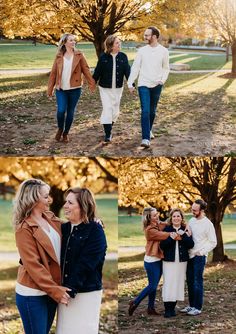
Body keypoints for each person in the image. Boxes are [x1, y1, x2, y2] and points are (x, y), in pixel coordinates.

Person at [13, 179, 70, 334]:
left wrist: (92, 223)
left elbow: (72, 228)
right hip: (32, 295)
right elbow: (33, 266)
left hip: (51, 291)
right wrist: (55, 291)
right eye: (45, 196)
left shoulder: (50, 218)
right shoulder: (23, 229)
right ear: (33, 199)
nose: (50, 199)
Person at [56, 187, 107, 334]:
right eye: (66, 202)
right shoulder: (63, 228)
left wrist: (69, 291)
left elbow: (87, 264)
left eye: (70, 203)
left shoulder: (95, 230)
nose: (65, 206)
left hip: (86, 293)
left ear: (84, 206)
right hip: (64, 293)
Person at [47, 33, 95, 143]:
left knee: (70, 112)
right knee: (61, 111)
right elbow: (54, 73)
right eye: (71, 40)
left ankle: (66, 133)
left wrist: (91, 84)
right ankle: (60, 128)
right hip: (61, 89)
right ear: (64, 42)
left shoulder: (79, 55)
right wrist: (50, 88)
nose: (73, 42)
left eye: (74, 40)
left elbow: (86, 70)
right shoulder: (59, 55)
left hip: (75, 88)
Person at [127, 26, 169, 148]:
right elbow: (135, 67)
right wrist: (130, 83)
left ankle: (148, 130)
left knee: (152, 111)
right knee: (145, 110)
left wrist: (162, 80)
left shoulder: (164, 51)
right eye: (145, 35)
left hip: (157, 84)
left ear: (155, 36)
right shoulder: (142, 51)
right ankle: (145, 138)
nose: (145, 37)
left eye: (147, 35)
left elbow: (166, 68)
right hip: (143, 84)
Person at [128, 207, 171, 316]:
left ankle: (150, 308)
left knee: (154, 285)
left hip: (159, 259)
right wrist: (172, 234)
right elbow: (165, 235)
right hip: (151, 261)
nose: (157, 216)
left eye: (157, 214)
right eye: (154, 215)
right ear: (149, 218)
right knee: (152, 285)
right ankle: (135, 302)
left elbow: (167, 225)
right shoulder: (150, 230)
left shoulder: (157, 224)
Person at [181, 199, 217, 316]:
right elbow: (188, 233)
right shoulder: (191, 220)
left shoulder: (208, 224)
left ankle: (197, 307)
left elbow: (213, 242)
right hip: (189, 255)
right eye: (192, 209)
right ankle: (191, 306)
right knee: (190, 281)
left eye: (195, 210)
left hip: (199, 257)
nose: (192, 211)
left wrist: (201, 252)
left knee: (197, 282)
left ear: (201, 210)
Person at [93, 35, 131, 142]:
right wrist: (92, 83)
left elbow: (127, 71)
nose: (119, 44)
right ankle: (108, 133)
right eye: (117, 43)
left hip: (118, 88)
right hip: (105, 88)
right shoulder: (103, 57)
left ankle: (108, 124)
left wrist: (131, 84)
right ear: (110, 46)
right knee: (107, 108)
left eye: (119, 42)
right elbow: (97, 72)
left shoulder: (123, 56)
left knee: (115, 112)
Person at [160, 209, 194, 318]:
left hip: (181, 262)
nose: (176, 218)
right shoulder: (167, 229)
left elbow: (191, 244)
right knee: (169, 284)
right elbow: (162, 246)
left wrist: (183, 236)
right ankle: (167, 309)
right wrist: (172, 238)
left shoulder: (185, 229)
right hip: (168, 262)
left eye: (178, 216)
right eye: (174, 216)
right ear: (171, 218)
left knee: (178, 284)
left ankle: (173, 308)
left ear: (181, 218)